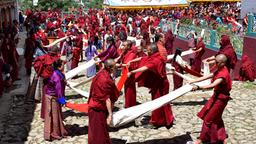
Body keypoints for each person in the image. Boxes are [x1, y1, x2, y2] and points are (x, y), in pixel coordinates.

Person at [127, 43, 174, 129]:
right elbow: (142, 58)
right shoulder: (155, 56)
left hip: (161, 85)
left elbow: (145, 68)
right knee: (162, 102)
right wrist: (131, 61)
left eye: (148, 50)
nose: (146, 52)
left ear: (151, 51)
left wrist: (132, 72)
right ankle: (165, 119)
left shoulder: (156, 60)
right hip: (159, 83)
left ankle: (156, 122)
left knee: (157, 103)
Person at [189, 54, 231, 144]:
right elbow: (209, 75)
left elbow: (212, 85)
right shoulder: (220, 69)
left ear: (223, 63)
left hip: (221, 99)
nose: (214, 63)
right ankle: (222, 137)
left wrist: (198, 87)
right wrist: (194, 80)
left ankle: (201, 139)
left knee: (208, 119)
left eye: (216, 62)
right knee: (217, 117)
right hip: (216, 96)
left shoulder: (223, 74)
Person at [88, 59, 119, 144]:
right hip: (97, 108)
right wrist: (110, 114)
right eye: (114, 66)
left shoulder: (101, 73)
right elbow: (107, 99)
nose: (116, 67)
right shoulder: (105, 80)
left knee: (97, 130)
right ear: (110, 68)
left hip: (93, 104)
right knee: (99, 131)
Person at [44, 59, 68, 141]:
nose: (64, 66)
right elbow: (58, 90)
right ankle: (54, 133)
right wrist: (62, 101)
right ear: (59, 67)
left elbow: (62, 82)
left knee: (57, 114)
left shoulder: (58, 73)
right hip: (52, 97)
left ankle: (59, 131)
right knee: (54, 115)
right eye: (62, 65)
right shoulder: (56, 76)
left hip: (55, 96)